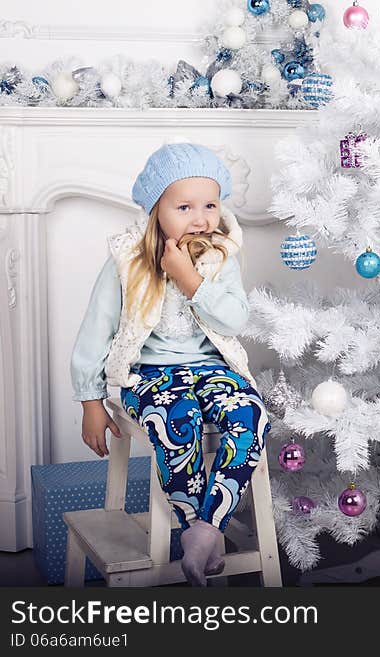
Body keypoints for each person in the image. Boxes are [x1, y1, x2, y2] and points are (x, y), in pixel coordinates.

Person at [70, 142, 270, 585]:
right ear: (155, 209)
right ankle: (195, 525)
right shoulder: (127, 260)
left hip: (212, 369)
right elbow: (95, 330)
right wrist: (90, 398)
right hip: (150, 375)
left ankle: (205, 526)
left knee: (250, 413)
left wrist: (191, 279)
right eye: (184, 206)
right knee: (177, 420)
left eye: (210, 205)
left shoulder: (220, 258)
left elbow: (235, 319)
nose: (200, 218)